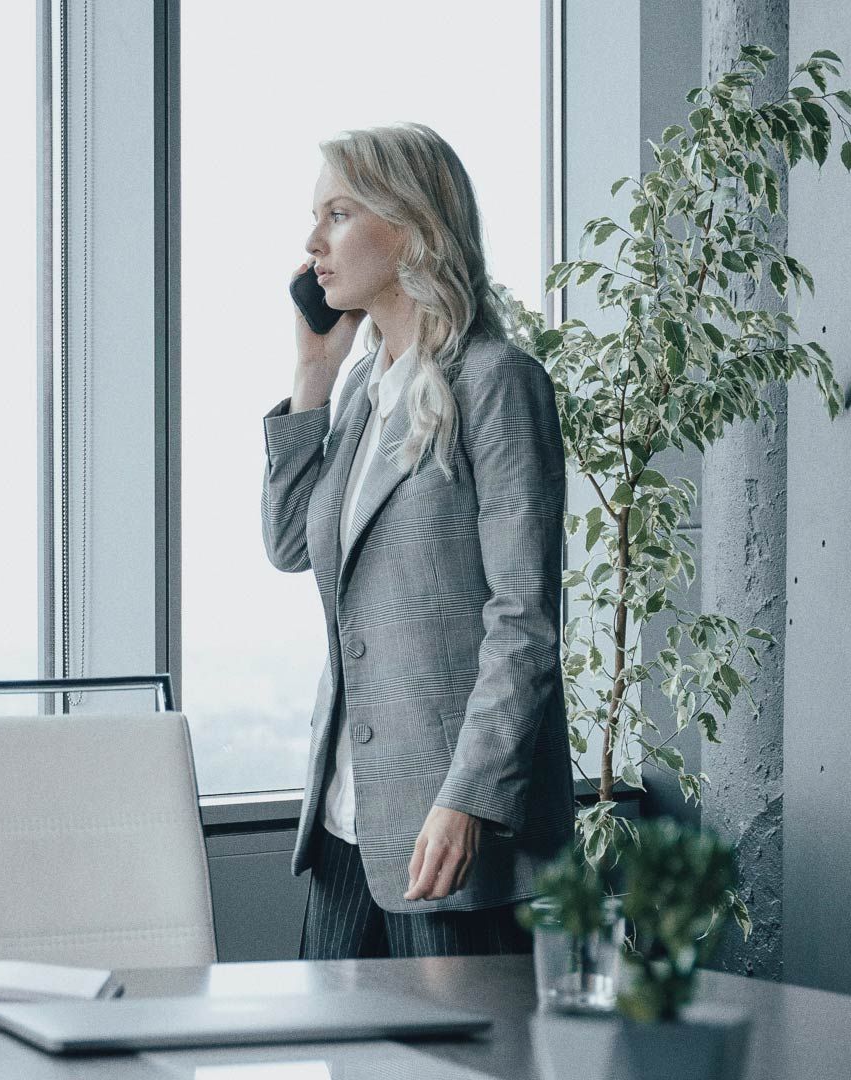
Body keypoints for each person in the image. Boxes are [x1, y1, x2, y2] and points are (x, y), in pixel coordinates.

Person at [260, 121, 575, 960]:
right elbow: (292, 543)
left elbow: (526, 620)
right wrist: (313, 379)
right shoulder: (363, 387)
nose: (311, 243)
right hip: (343, 826)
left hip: (449, 834)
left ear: (409, 227)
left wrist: (469, 795)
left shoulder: (498, 382)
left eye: (336, 213)